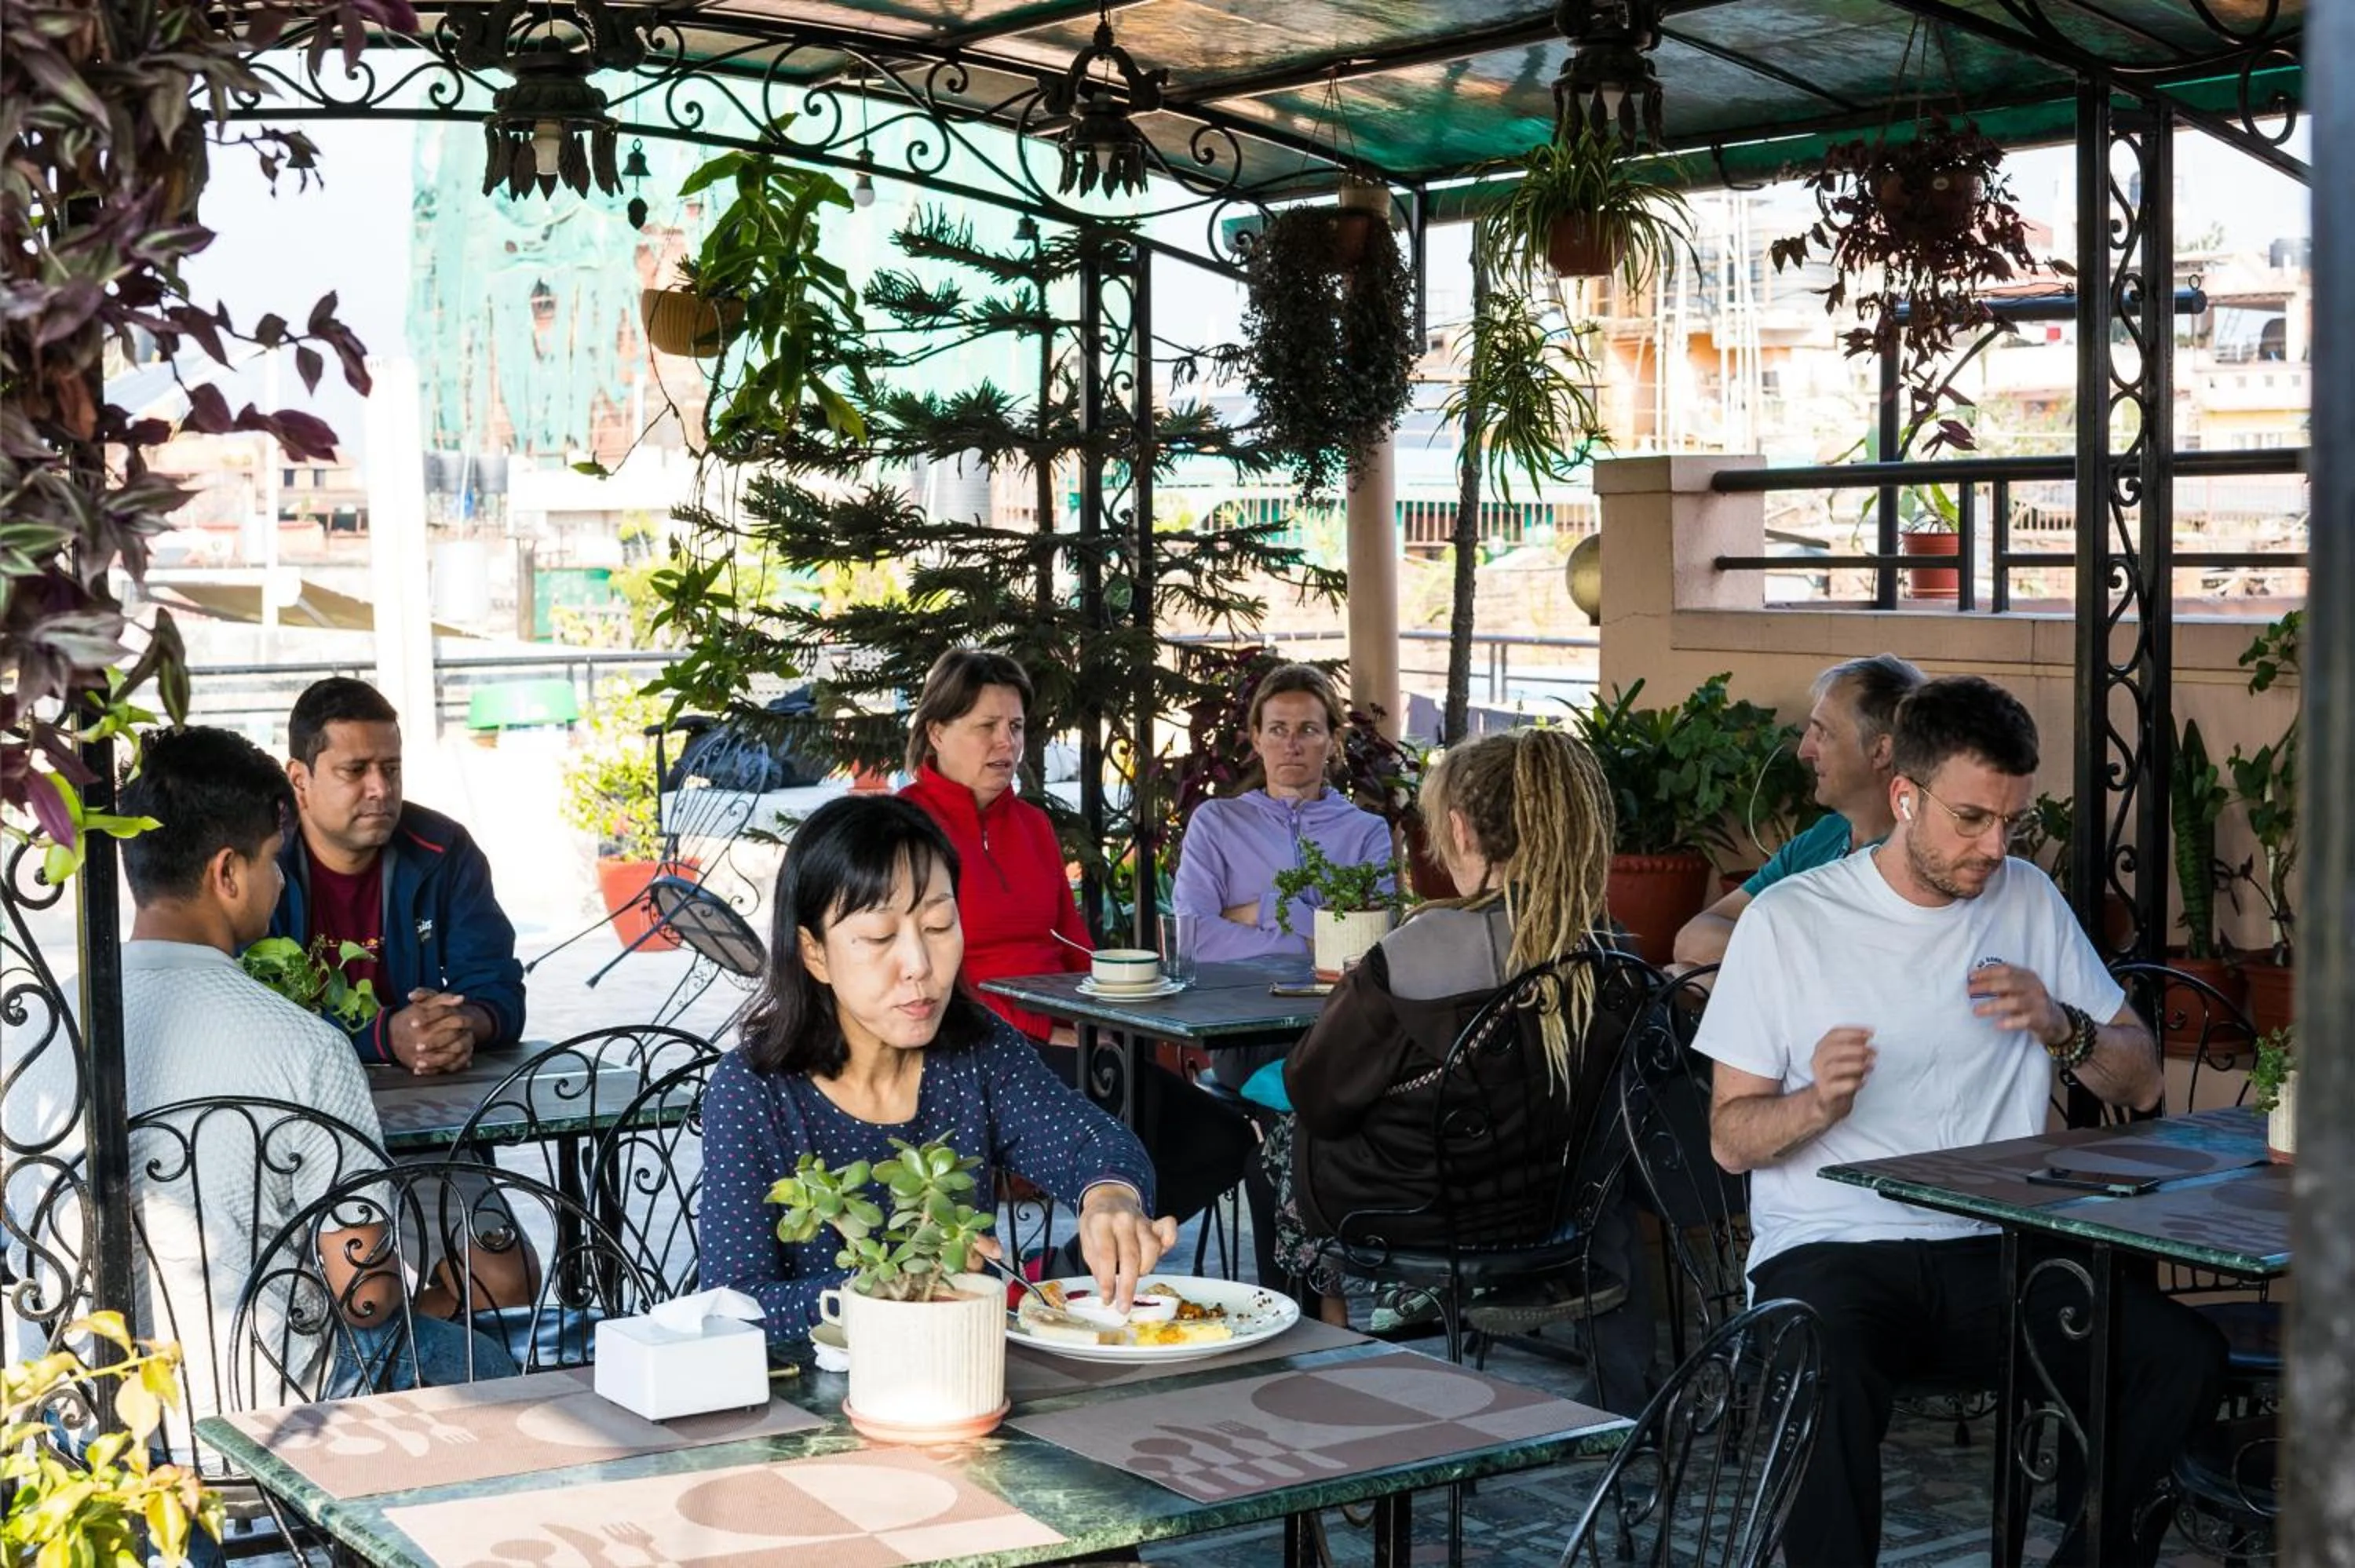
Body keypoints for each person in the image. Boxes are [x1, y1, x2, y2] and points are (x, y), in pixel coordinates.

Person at [1695, 676, 2224, 1567]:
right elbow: (1728, 1137)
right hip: (1834, 1246)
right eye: (1972, 819)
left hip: (1997, 1250)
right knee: (1821, 1363)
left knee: (2182, 1356)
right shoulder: (1790, 922)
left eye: (2010, 821)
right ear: (1905, 797)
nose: (1995, 846)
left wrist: (2065, 1025)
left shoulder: (2024, 898)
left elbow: (2136, 1082)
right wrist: (1814, 1104)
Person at [14, 727, 516, 1430]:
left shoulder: (33, 1026)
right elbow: (364, 1296)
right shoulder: (303, 1046)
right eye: (275, 861)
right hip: (266, 1412)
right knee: (491, 1371)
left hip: (79, 1417)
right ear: (227, 873)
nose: (281, 883)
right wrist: (441, 1297)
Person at [1272, 725, 1656, 1415]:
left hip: (1416, 1211)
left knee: (1280, 1135)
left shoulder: (1421, 947)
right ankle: (1624, 1400)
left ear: (1460, 828)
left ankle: (1326, 1358)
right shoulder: (1610, 948)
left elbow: (1317, 1093)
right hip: (1554, 1211)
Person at [697, 794, 1179, 1338]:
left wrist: (1109, 1197)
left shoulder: (974, 1053)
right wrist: (883, 1289)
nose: (920, 966)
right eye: (880, 938)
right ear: (814, 953)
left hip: (963, 1378)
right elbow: (733, 1303)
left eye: (940, 925)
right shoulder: (756, 1090)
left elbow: (1093, 1141)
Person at [897, 649, 1255, 1234]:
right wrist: (1053, 1029)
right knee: (1132, 1108)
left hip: (1066, 1035)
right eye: (986, 726)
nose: (1005, 743)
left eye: (1015, 727)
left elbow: (1074, 948)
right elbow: (924, 969)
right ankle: (1097, 1269)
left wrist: (1113, 1009)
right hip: (970, 1042)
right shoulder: (905, 828)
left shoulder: (1033, 825)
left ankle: (1078, 1266)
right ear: (937, 731)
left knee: (1225, 1137)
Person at [270, 677, 525, 1074]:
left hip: (435, 1103)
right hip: (293, 1109)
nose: (380, 789)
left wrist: (453, 1027)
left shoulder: (445, 850)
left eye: (391, 769)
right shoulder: (260, 858)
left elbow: (498, 989)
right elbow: (247, 1013)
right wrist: (385, 1036)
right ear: (300, 780)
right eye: (355, 770)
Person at [1673, 652, 1923, 968]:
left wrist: (1739, 967)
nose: (1805, 751)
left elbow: (1858, 976)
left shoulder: (1916, 862)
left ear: (1881, 751)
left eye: (1823, 734)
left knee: (1694, 979)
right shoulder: (1826, 835)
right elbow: (1696, 934)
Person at [1170, 663, 1394, 965]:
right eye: (1277, 730)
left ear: (1333, 741)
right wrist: (1281, 913)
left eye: (1309, 730)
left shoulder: (1366, 832)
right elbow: (1193, 941)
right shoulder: (1216, 823)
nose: (1291, 745)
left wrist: (1253, 915)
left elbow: (1372, 945)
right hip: (1233, 1006)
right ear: (1257, 739)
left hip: (1335, 1007)